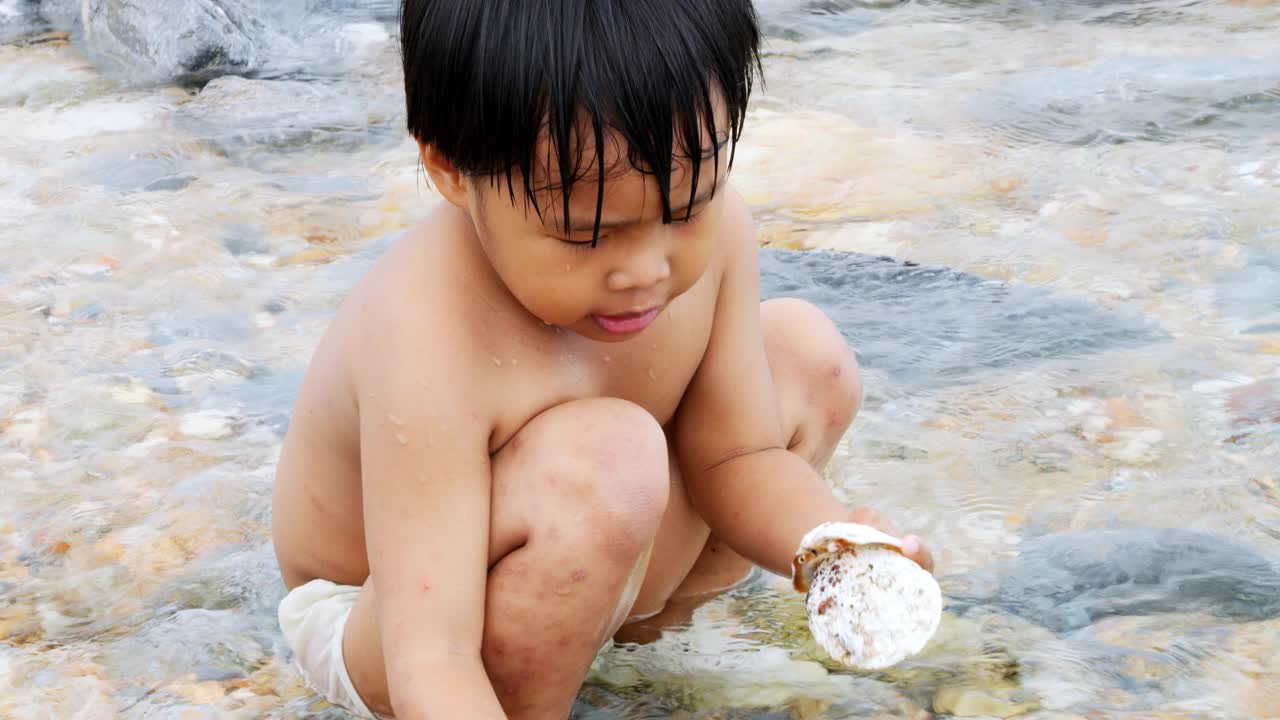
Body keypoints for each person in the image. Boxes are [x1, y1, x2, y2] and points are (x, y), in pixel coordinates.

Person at [270, 1, 934, 718]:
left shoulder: (716, 240)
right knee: (609, 458)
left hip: (580, 523)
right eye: (588, 234)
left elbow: (735, 460)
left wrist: (832, 546)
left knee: (808, 358)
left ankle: (646, 662)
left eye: (686, 208)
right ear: (451, 169)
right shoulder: (425, 331)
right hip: (392, 622)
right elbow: (430, 650)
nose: (645, 270)